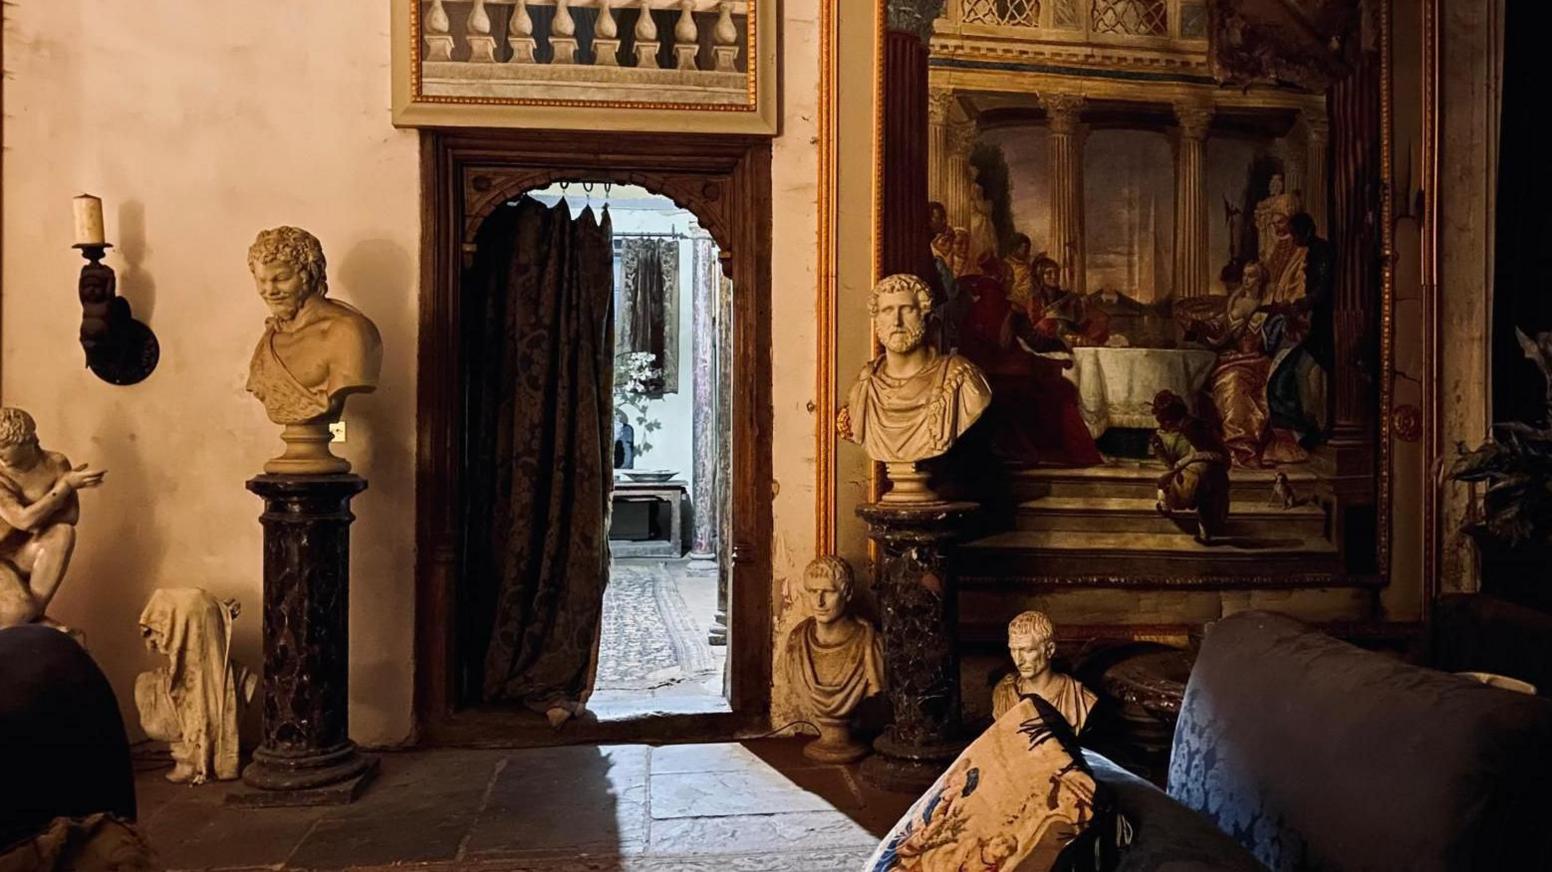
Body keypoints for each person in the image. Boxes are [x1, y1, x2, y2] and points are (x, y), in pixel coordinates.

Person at [840, 275, 992, 466]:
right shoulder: (864, 385)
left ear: (924, 314)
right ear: (876, 320)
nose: (897, 321)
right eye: (888, 311)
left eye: (907, 310)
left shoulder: (960, 378)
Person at [245, 226, 383, 427]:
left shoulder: (349, 333)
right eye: (261, 280)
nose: (269, 290)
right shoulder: (271, 338)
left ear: (309, 274)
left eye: (281, 279)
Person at [0, 409, 105, 629]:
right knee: (19, 611)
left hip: (24, 551)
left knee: (62, 533)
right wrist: (63, 487)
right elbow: (23, 521)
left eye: (3, 447)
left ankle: (36, 616)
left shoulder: (55, 463)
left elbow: (70, 516)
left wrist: (41, 511)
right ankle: (33, 618)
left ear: (24, 441)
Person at [782, 556, 885, 761]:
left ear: (847, 593)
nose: (819, 601)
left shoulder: (871, 644)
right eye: (813, 592)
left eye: (828, 592)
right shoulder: (796, 642)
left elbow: (877, 684)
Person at [990, 611, 1096, 733]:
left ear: (1050, 650)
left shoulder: (1079, 698)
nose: (1018, 661)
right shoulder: (1003, 692)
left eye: (1028, 651)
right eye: (1013, 650)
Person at [1149, 390, 1232, 543]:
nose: (1164, 425)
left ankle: (1204, 531)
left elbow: (1206, 455)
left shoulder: (1191, 428)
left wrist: (1177, 468)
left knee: (1191, 486)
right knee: (1206, 493)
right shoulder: (1193, 424)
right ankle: (1207, 531)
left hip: (1210, 470)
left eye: (1164, 420)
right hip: (1215, 470)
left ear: (1169, 419)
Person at [1003, 234, 1035, 308]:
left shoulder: (1028, 266)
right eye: (1025, 248)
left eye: (1028, 249)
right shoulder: (1004, 265)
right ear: (1015, 248)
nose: (1028, 252)